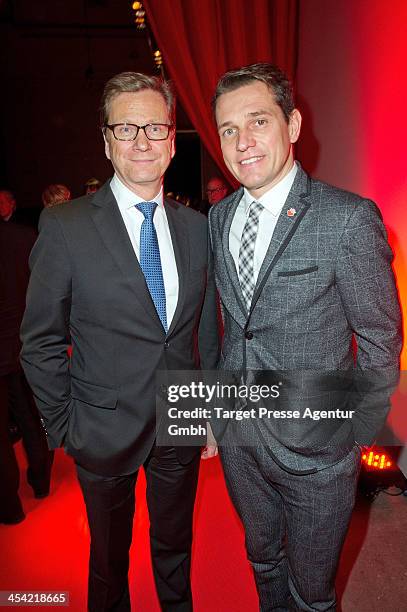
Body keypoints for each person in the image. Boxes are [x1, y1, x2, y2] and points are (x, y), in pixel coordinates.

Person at [21, 72, 219, 611]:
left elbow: (202, 326)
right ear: (105, 141)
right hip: (101, 431)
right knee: (109, 564)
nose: (141, 141)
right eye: (125, 127)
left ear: (173, 140)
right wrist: (64, 426)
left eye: (154, 127)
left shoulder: (197, 228)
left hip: (181, 424)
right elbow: (39, 341)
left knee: (175, 550)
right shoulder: (64, 227)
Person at [208, 63, 402, 610]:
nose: (243, 142)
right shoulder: (219, 218)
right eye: (227, 129)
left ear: (292, 125)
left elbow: (381, 338)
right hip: (242, 440)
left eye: (258, 121)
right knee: (263, 560)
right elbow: (233, 328)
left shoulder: (348, 219)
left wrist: (352, 435)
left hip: (320, 450)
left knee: (313, 593)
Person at [0, 191, 53, 524]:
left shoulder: (23, 235)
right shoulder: (24, 237)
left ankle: (9, 507)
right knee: (31, 416)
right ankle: (42, 481)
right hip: (23, 345)